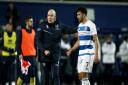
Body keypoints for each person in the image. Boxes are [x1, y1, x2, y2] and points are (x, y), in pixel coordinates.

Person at [37, 9, 77, 85]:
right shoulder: (42, 25)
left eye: (51, 15)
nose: (49, 17)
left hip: (55, 55)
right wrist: (44, 50)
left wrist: (80, 28)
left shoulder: (59, 25)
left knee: (56, 75)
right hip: (45, 55)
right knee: (46, 76)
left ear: (55, 17)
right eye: (48, 15)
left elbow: (70, 30)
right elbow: (37, 40)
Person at [67, 7, 100, 85]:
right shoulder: (79, 25)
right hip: (81, 53)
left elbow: (96, 40)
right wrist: (71, 50)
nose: (77, 16)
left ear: (84, 15)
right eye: (77, 15)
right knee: (81, 77)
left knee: (83, 74)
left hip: (89, 52)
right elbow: (79, 41)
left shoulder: (91, 25)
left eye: (79, 14)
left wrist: (96, 55)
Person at [16, 16, 37, 85]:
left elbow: (35, 44)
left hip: (33, 56)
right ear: (27, 22)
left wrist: (36, 54)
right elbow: (18, 43)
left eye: (32, 21)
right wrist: (19, 53)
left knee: (33, 74)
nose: (32, 23)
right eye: (31, 21)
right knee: (24, 74)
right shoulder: (21, 31)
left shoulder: (34, 32)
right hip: (24, 56)